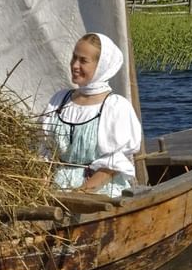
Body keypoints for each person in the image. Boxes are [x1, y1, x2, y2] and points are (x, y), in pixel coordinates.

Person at [39, 31, 143, 198]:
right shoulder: (59, 100)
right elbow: (46, 152)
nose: (74, 65)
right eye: (74, 57)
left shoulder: (115, 107)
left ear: (101, 66)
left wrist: (81, 193)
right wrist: (40, 191)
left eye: (83, 61)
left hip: (99, 192)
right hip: (57, 189)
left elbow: (112, 165)